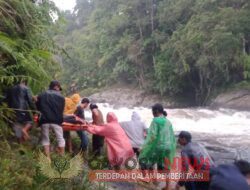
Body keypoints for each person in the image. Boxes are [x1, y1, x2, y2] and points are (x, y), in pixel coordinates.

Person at [139, 104, 176, 188]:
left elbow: (152, 136)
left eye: (152, 112)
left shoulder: (155, 121)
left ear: (155, 112)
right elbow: (171, 136)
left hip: (159, 147)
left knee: (144, 159)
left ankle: (149, 179)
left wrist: (143, 147)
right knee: (166, 168)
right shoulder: (168, 121)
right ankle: (168, 186)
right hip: (169, 147)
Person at [36, 80, 65, 158]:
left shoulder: (41, 95)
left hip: (44, 120)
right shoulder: (61, 97)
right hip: (56, 120)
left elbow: (38, 107)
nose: (59, 90)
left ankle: (48, 158)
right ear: (56, 87)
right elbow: (61, 110)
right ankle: (61, 156)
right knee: (60, 138)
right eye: (59, 88)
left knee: (45, 139)